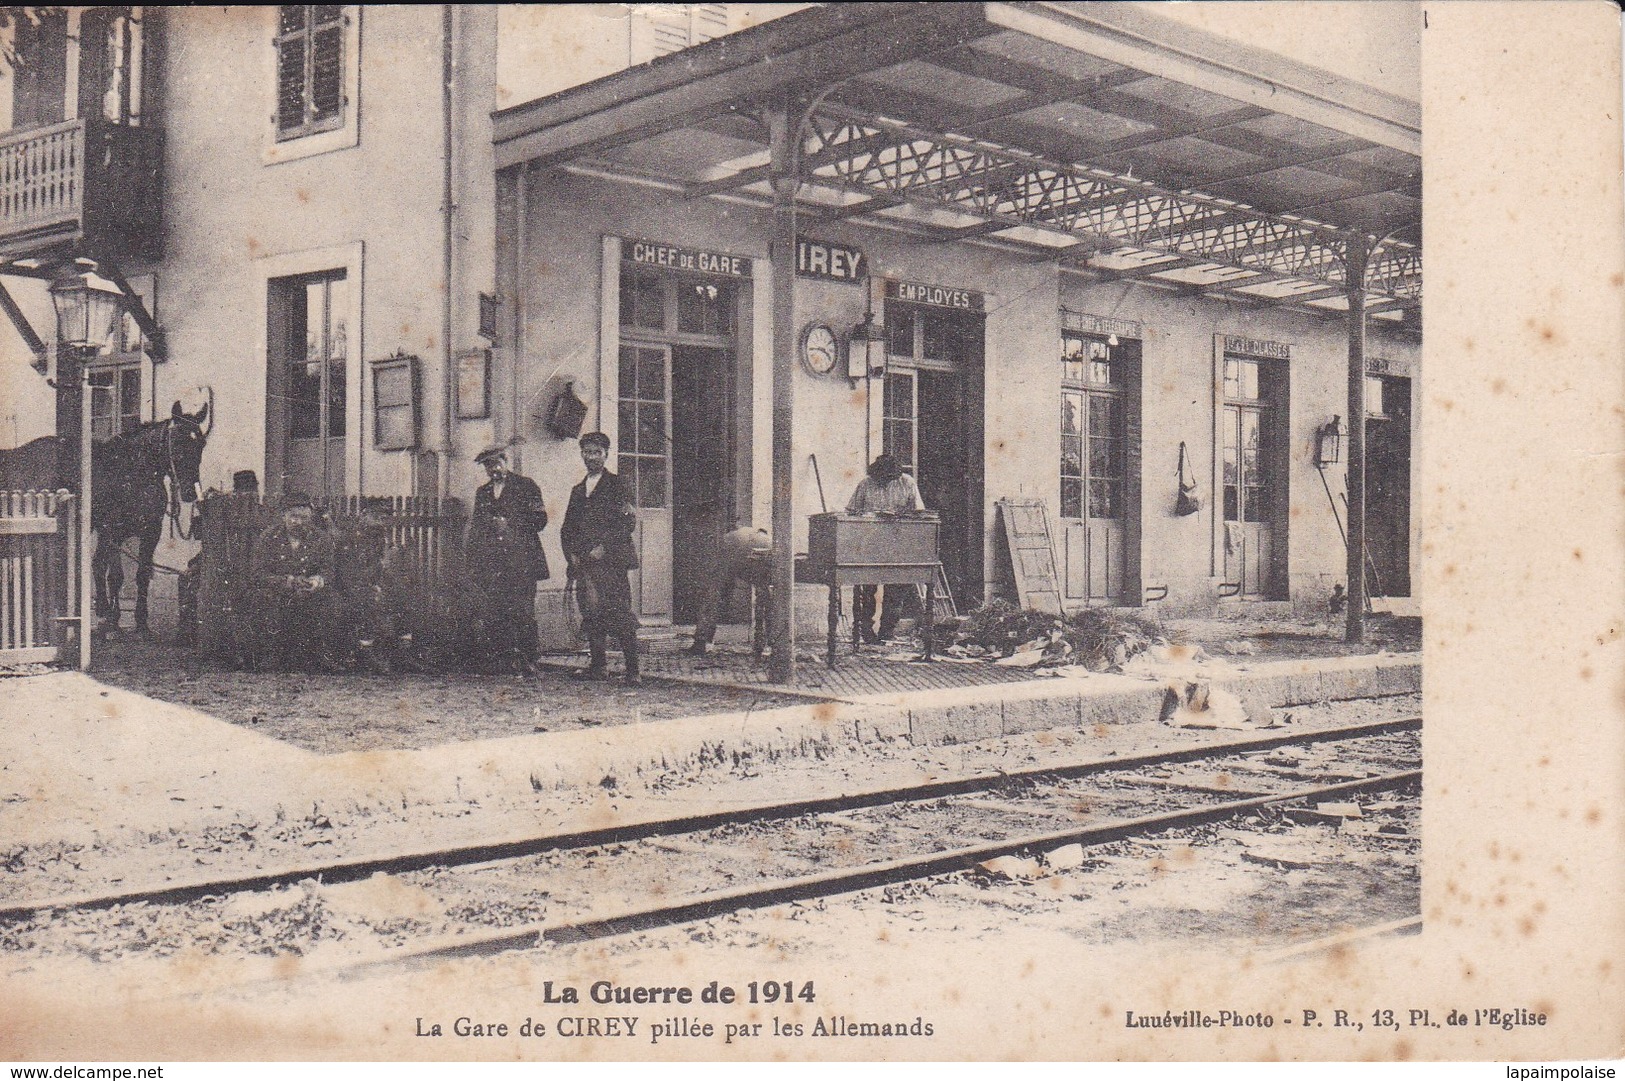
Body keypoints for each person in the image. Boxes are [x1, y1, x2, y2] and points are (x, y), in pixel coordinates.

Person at [560, 431, 641, 685]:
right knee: (591, 613)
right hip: (585, 563)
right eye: (587, 452)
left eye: (597, 452)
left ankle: (633, 671)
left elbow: (627, 522)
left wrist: (605, 546)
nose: (591, 457)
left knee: (621, 613)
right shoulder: (577, 490)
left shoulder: (618, 484)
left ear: (606, 455)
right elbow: (567, 528)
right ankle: (598, 666)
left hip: (611, 562)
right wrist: (571, 554)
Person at [467, 445, 550, 674]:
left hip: (522, 561)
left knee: (523, 610)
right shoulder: (482, 493)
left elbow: (541, 520)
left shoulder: (526, 486)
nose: (493, 469)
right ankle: (503, 660)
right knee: (496, 610)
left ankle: (529, 659)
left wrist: (511, 525)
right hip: (494, 563)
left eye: (496, 463)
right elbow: (476, 529)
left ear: (506, 460)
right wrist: (474, 561)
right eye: (487, 465)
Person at [248, 492, 338, 671]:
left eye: (304, 518)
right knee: (264, 600)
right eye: (293, 517)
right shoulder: (268, 538)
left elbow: (329, 570)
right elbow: (257, 573)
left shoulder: (321, 539)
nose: (298, 522)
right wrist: (286, 581)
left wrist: (317, 581)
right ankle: (271, 654)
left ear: (311, 517)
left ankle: (321, 655)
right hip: (278, 590)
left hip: (308, 590)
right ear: (284, 516)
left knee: (331, 601)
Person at [846, 453, 926, 644]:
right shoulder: (865, 484)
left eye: (888, 478)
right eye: (880, 478)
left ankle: (887, 631)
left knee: (896, 591)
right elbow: (852, 512)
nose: (883, 482)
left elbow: (918, 512)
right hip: (869, 544)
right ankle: (865, 631)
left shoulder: (907, 483)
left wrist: (901, 515)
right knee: (867, 591)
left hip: (898, 544)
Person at [687, 525, 772, 658]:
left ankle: (702, 641)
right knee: (765, 599)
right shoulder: (768, 547)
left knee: (713, 595)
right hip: (755, 551)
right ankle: (763, 645)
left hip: (740, 548)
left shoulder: (735, 538)